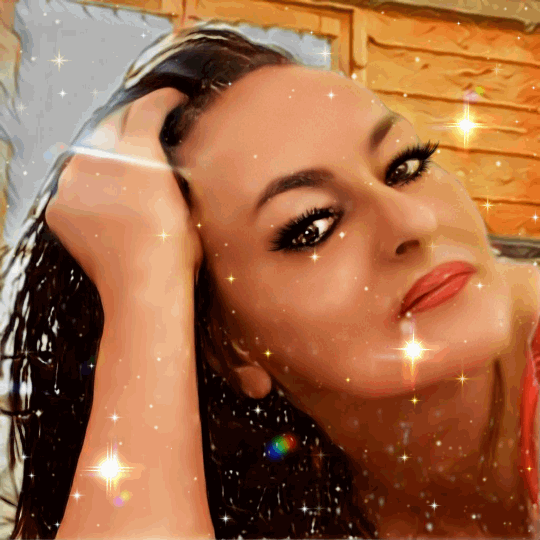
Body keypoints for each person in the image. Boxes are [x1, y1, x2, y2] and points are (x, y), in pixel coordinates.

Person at [1, 23, 540, 539]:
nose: (413, 221)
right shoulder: (287, 492)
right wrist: (145, 280)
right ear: (228, 348)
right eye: (313, 226)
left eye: (405, 166)